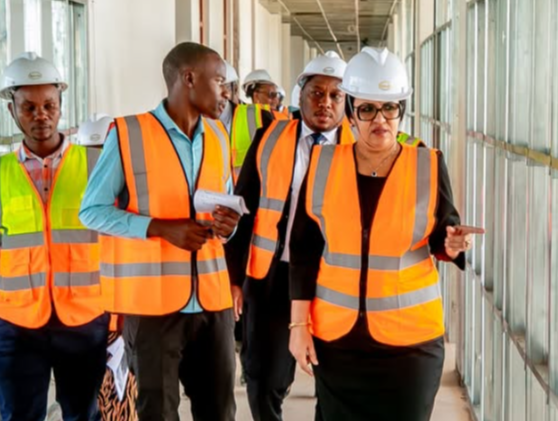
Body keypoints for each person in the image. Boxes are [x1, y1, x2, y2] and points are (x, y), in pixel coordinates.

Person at [288, 47, 484, 421]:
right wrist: (298, 326)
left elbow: (443, 231)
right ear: (351, 114)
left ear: (401, 111)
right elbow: (304, 250)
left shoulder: (428, 164)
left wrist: (452, 244)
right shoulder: (323, 164)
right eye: (367, 109)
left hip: (411, 347)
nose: (380, 119)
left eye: (390, 108)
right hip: (337, 342)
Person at [79, 42, 241, 421]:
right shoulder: (129, 133)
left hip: (212, 302)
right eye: (219, 81)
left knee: (220, 412)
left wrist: (229, 226)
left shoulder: (219, 136)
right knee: (158, 413)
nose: (227, 93)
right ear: (189, 78)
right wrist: (158, 228)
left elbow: (226, 204)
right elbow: (91, 211)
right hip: (152, 309)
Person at [0, 52, 109, 421]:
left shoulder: (95, 165)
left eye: (49, 105)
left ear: (61, 105)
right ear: (12, 110)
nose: (40, 115)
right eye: (28, 107)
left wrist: (121, 315)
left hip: (85, 319)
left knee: (84, 415)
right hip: (17, 324)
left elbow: (116, 245)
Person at [225, 51, 348, 421]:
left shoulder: (359, 148)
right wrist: (234, 277)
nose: (325, 102)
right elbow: (243, 206)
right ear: (300, 95)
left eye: (335, 95)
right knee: (263, 375)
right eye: (317, 93)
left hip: (333, 279)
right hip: (272, 276)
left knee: (334, 377)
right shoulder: (269, 137)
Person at [78, 113, 139, 421]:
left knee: (124, 399)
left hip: (122, 317)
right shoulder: (85, 200)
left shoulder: (129, 197)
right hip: (87, 318)